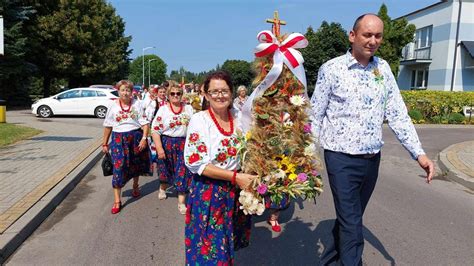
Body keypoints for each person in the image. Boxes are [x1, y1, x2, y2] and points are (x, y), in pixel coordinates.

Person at [310, 14, 434, 265]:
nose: (372, 41)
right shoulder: (332, 69)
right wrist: (306, 156)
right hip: (340, 158)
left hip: (370, 161)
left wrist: (419, 154)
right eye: (367, 35)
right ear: (352, 36)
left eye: (378, 36)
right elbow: (315, 115)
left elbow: (398, 114)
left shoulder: (383, 69)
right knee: (353, 224)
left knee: (350, 219)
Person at [184, 71, 256, 264]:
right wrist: (234, 177)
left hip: (234, 192)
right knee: (211, 252)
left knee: (227, 244)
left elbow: (252, 146)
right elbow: (196, 162)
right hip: (209, 193)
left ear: (231, 93)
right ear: (206, 95)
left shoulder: (239, 116)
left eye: (224, 91)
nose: (219, 95)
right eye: (214, 91)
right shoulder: (200, 120)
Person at [102, 80, 151, 214]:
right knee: (118, 167)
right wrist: (105, 143)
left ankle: (135, 186)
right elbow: (108, 125)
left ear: (131, 92)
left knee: (135, 164)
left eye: (128, 90)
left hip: (135, 137)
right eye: (123, 90)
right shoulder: (113, 106)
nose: (125, 93)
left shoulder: (137, 104)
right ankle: (117, 200)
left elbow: (145, 123)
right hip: (118, 139)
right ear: (118, 91)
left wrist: (144, 138)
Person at [151, 83, 194, 214]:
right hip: (166, 142)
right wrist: (159, 148)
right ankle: (163, 188)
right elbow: (155, 130)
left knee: (183, 171)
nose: (175, 96)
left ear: (182, 95)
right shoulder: (163, 109)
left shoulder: (189, 108)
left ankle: (181, 202)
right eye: (172, 94)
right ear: (168, 96)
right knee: (165, 169)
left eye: (178, 93)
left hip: (184, 143)